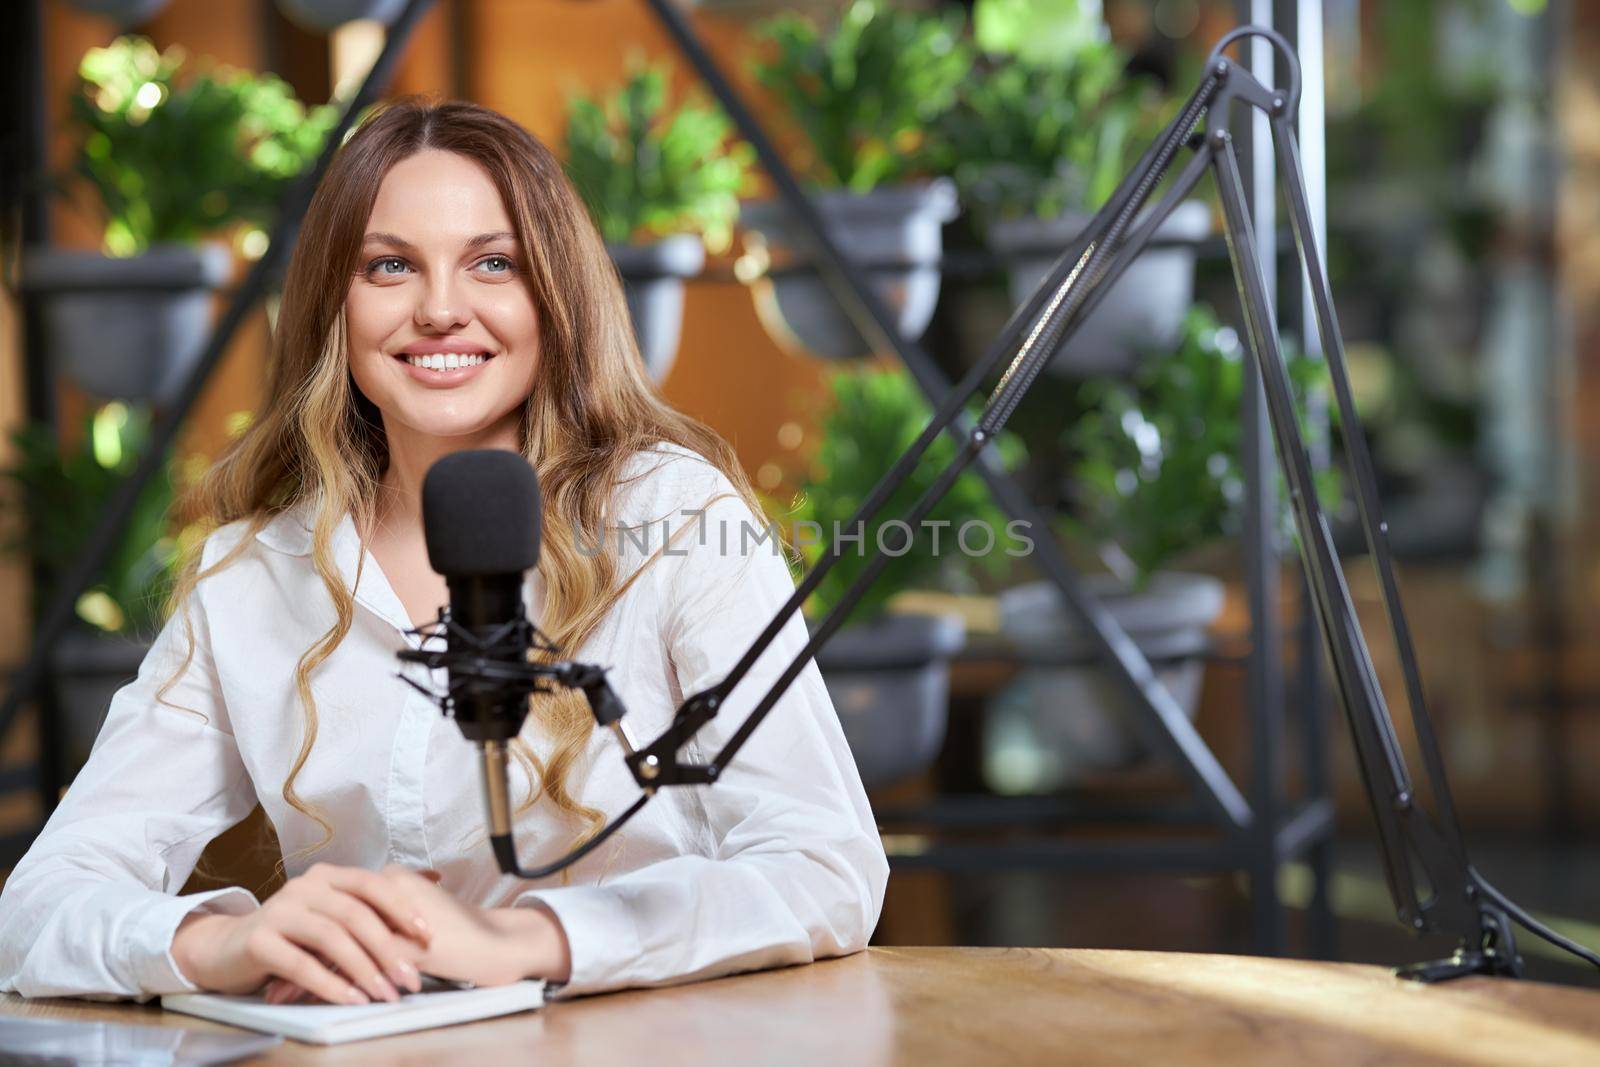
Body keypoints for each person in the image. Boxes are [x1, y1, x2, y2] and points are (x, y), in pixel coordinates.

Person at [0, 98, 887, 1004]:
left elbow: (825, 864)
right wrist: (219, 942)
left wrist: (525, 938)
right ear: (333, 308)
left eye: (492, 264)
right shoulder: (254, 571)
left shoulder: (673, 513)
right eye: (389, 266)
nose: (439, 309)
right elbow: (38, 905)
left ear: (554, 294)